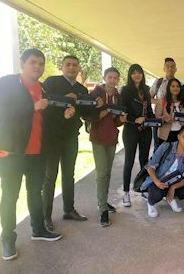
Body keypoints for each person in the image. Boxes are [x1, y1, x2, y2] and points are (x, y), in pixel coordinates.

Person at [0, 49, 61, 261]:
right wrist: (31, 106)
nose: (38, 67)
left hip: (36, 153)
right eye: (33, 62)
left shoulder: (43, 88)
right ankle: (7, 239)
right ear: (22, 63)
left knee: (35, 193)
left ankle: (38, 229)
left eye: (41, 63)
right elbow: (0, 111)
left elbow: (44, 119)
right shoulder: (7, 84)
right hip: (11, 152)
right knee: (10, 197)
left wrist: (65, 114)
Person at [41, 55, 90, 230]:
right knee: (49, 177)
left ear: (79, 68)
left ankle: (69, 209)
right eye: (68, 65)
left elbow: (86, 112)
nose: (71, 68)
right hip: (52, 138)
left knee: (69, 175)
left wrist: (96, 104)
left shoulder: (82, 88)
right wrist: (64, 98)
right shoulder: (51, 82)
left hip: (71, 137)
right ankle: (45, 216)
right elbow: (44, 104)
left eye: (75, 65)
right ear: (62, 67)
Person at [87, 67, 126, 227]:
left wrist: (121, 121)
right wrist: (99, 113)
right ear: (104, 77)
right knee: (101, 173)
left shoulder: (118, 96)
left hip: (112, 138)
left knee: (107, 173)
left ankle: (103, 201)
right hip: (98, 138)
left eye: (115, 78)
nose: (112, 80)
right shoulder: (96, 92)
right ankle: (102, 209)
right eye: (110, 77)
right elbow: (86, 115)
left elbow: (116, 120)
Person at [141, 127, 184, 217]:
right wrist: (157, 182)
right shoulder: (166, 146)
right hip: (159, 181)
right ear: (178, 137)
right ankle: (150, 204)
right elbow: (150, 166)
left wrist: (173, 187)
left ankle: (170, 196)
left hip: (174, 181)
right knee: (156, 195)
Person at [120, 64, 154, 207]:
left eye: (139, 72)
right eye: (133, 73)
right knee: (129, 161)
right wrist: (135, 119)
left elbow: (149, 111)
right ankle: (126, 192)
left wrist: (155, 120)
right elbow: (123, 111)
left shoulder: (146, 90)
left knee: (144, 161)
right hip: (131, 130)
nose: (137, 75)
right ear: (130, 75)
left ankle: (143, 188)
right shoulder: (125, 90)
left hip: (146, 130)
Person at [150, 57, 178, 150]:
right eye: (168, 66)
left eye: (172, 66)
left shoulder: (179, 84)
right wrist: (160, 102)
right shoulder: (158, 82)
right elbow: (148, 98)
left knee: (174, 147)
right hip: (159, 119)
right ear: (164, 68)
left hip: (174, 121)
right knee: (159, 147)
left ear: (176, 69)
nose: (170, 68)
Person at [156, 78, 184, 143]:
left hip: (181, 134)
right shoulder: (162, 101)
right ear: (169, 88)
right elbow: (157, 117)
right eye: (173, 86)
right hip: (165, 135)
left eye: (177, 86)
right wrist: (164, 119)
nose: (175, 88)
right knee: (166, 152)